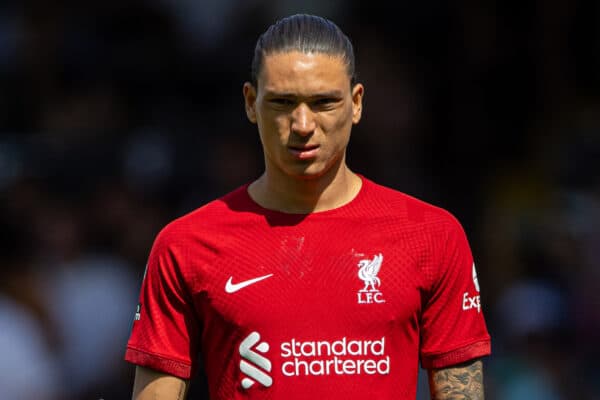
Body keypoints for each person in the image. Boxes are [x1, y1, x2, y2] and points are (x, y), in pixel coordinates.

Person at [125, 14, 491, 399]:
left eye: (323, 103)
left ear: (356, 103)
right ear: (251, 103)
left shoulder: (431, 236)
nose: (302, 123)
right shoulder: (186, 244)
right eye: (283, 102)